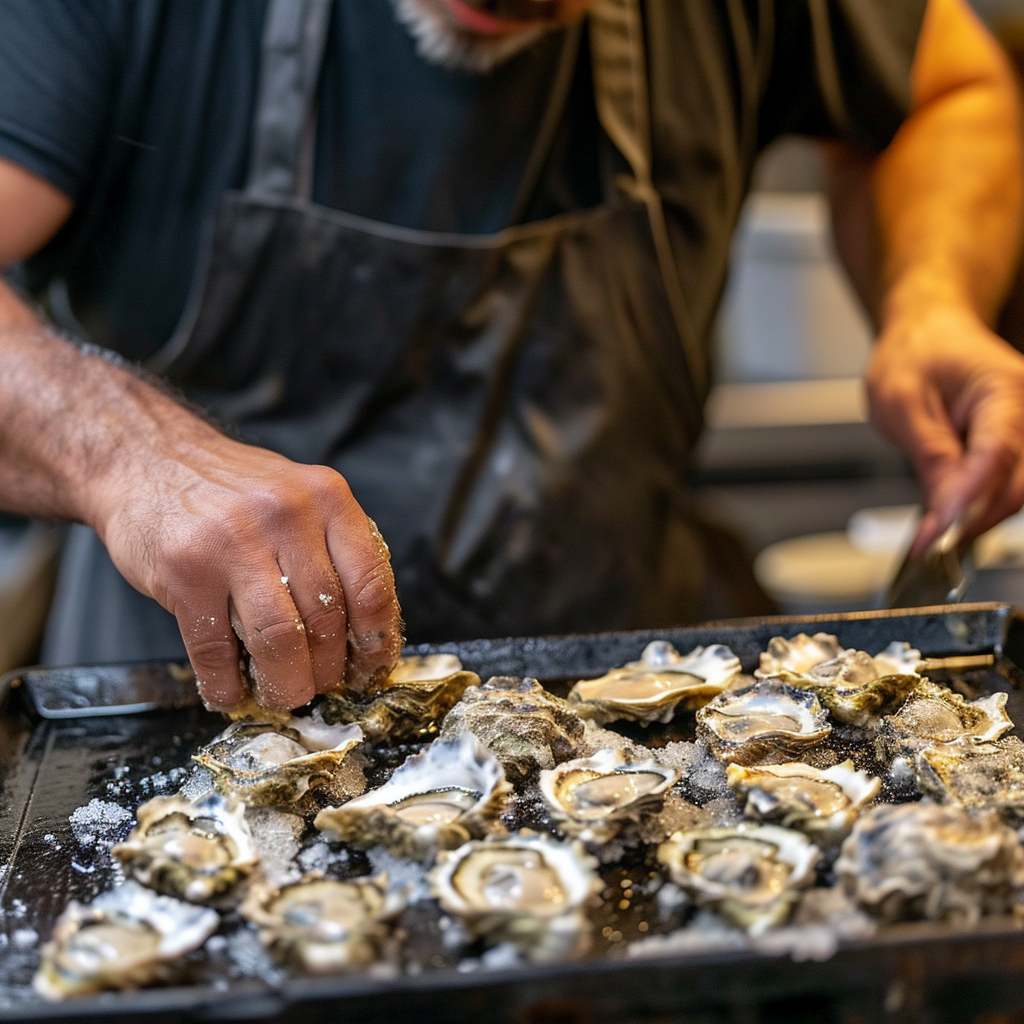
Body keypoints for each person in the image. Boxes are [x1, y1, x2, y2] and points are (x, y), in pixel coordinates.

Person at [0, 0, 1020, 712]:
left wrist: (930, 298)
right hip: (210, 707)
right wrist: (126, 454)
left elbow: (951, 89)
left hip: (634, 689)